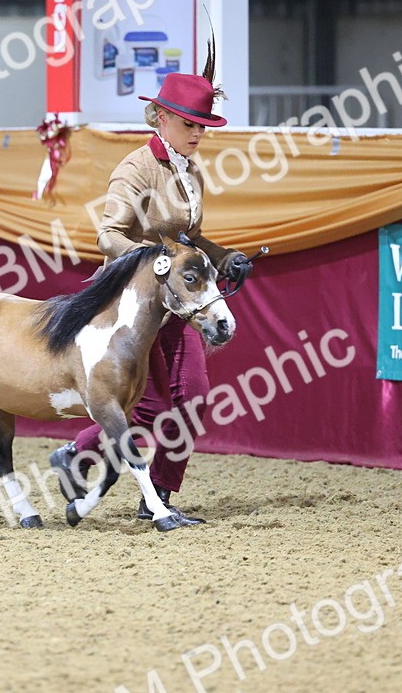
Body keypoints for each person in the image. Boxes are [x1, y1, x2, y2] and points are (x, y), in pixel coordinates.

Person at [49, 50, 252, 526]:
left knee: (194, 397)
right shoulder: (135, 169)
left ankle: (154, 493)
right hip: (131, 305)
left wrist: (225, 257)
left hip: (176, 303)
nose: (198, 134)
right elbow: (109, 235)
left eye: (203, 126)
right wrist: (155, 263)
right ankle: (80, 455)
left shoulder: (189, 169)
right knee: (151, 405)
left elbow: (189, 237)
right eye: (189, 124)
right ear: (162, 118)